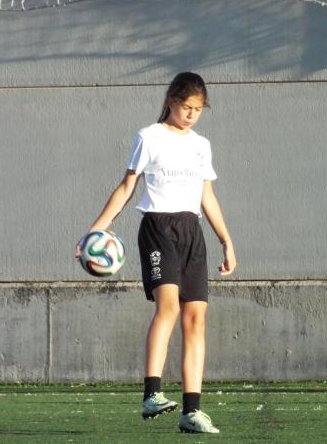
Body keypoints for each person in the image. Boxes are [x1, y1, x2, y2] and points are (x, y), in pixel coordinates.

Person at [77, 72, 236, 434]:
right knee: (168, 306)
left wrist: (226, 239)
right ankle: (152, 393)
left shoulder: (201, 145)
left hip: (191, 231)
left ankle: (191, 412)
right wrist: (96, 229)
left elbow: (206, 196)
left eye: (198, 109)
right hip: (157, 229)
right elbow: (126, 186)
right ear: (171, 101)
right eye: (186, 106)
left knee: (196, 318)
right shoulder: (149, 137)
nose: (192, 114)